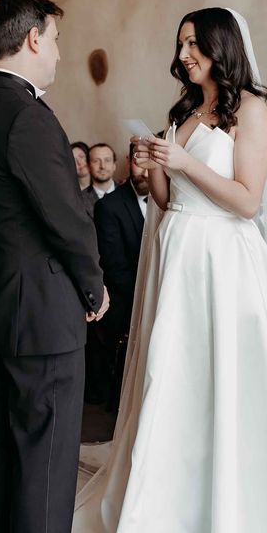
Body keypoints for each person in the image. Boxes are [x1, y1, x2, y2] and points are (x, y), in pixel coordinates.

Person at [69, 7, 267, 533]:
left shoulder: (251, 108)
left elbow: (249, 201)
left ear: (221, 45)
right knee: (174, 386)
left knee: (227, 387)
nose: (186, 53)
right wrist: (152, 174)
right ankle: (169, 519)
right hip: (181, 260)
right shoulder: (182, 112)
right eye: (180, 44)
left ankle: (237, 522)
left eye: (194, 43)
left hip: (227, 265)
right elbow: (171, 203)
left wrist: (185, 163)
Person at [0, 0, 129, 533]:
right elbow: (65, 215)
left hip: (4, 304)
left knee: (8, 446)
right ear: (31, 39)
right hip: (44, 306)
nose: (58, 50)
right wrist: (95, 286)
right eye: (54, 38)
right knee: (49, 457)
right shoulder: (27, 115)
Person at [92, 143, 149, 409]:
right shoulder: (110, 207)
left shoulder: (175, 200)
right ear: (128, 161)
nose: (146, 171)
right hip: (129, 295)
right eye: (139, 161)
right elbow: (114, 267)